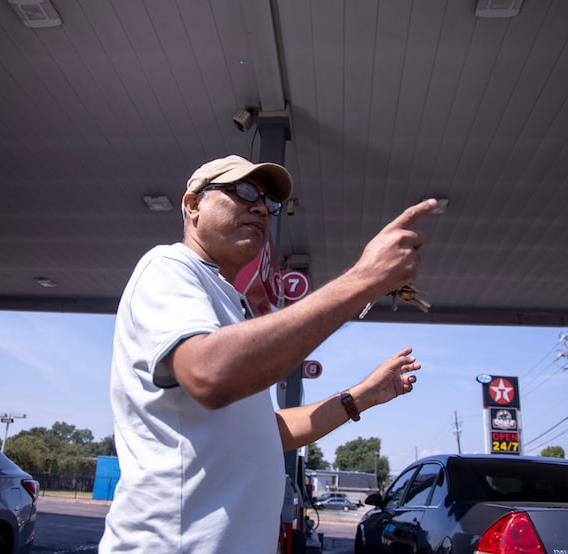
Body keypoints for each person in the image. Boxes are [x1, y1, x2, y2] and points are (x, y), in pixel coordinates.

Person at [99, 155, 438, 553]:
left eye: (267, 202)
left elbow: (267, 429)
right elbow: (210, 375)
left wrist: (362, 395)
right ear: (192, 205)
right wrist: (363, 280)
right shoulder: (168, 266)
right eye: (242, 191)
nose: (260, 207)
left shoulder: (228, 302)